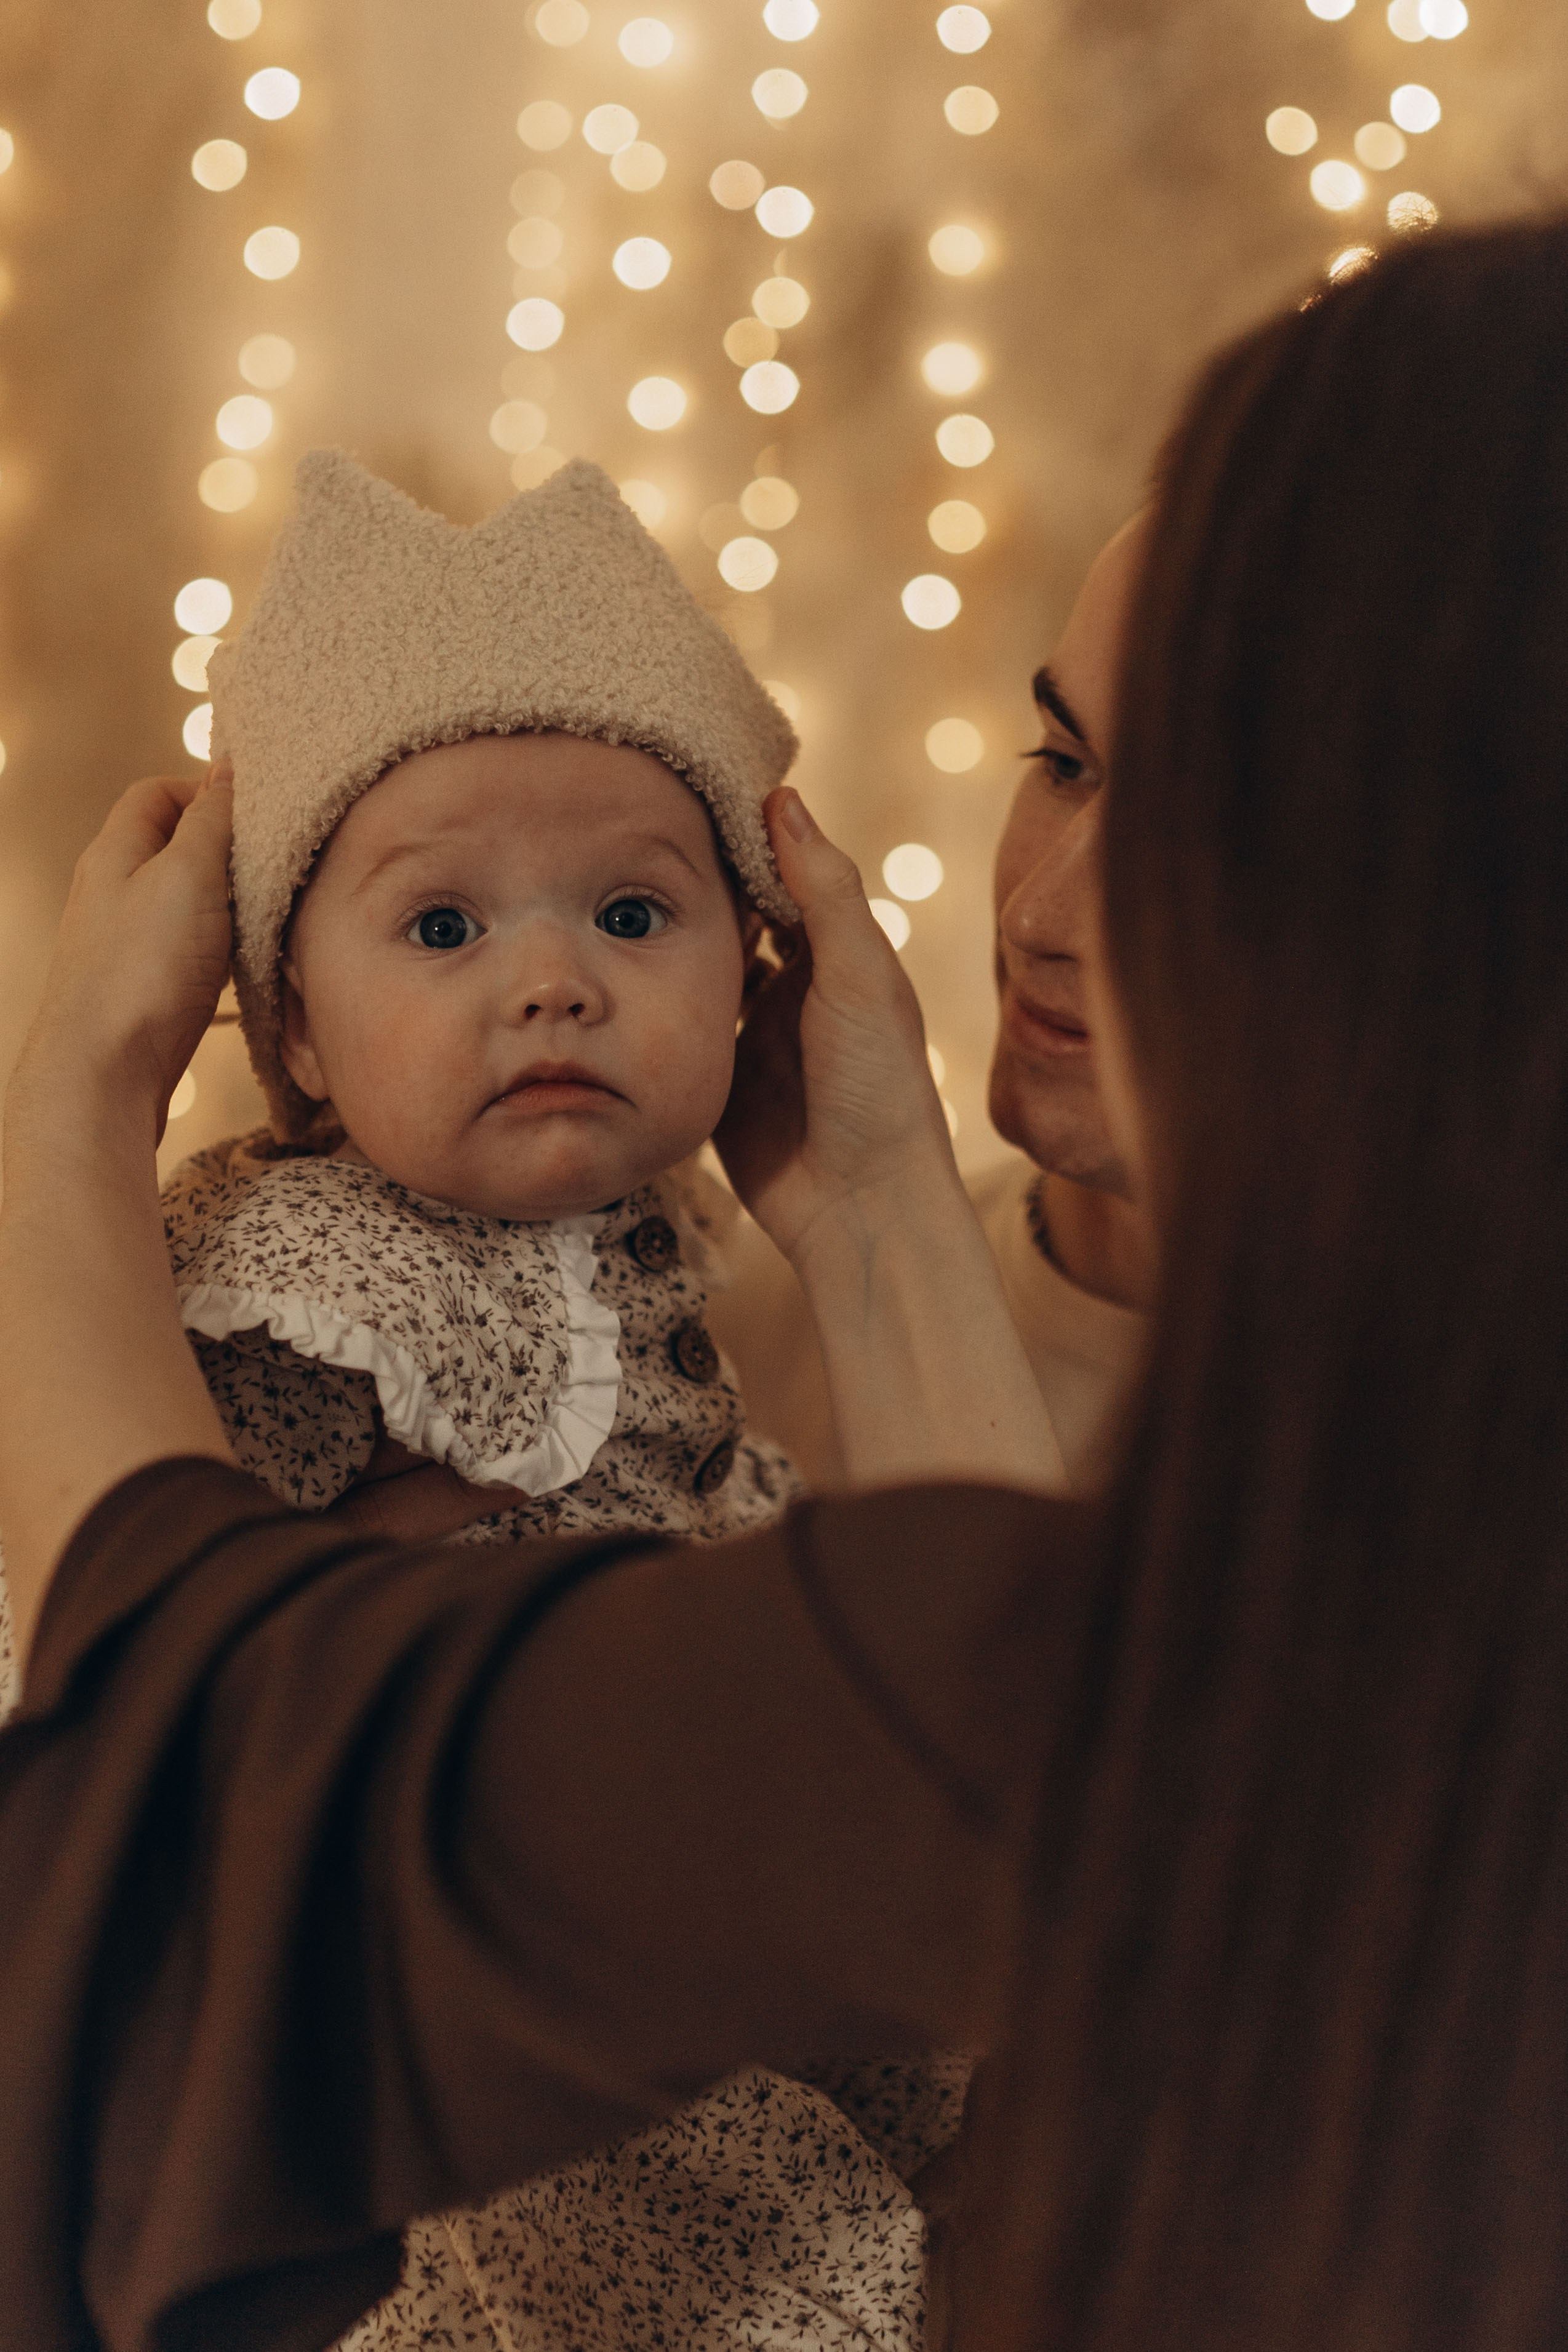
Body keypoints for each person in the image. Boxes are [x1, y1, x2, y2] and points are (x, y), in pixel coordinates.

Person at [6, 214, 1568, 2352]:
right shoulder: (692, 1335)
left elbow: (213, 1794)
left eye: (1210, 808)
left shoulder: (1227, 1636)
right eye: (1061, 754)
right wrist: (875, 1202)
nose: (1052, 900)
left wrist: (62, 1116)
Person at [157, 446, 1034, 2351]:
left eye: (632, 917)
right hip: (442, 2026)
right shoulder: (290, 1283)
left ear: (756, 974)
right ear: (291, 1031)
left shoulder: (674, 1269)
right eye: (443, 927)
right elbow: (112, 1632)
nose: (550, 978)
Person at [710, 521, 1151, 1493]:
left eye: (1190, 838)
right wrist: (873, 1220)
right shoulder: (716, 1352)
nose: (1035, 913)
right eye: (1065, 764)